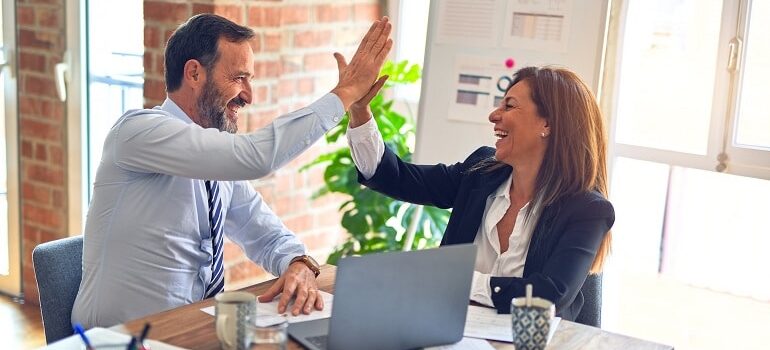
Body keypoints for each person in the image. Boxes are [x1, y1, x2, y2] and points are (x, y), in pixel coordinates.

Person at [72, 13, 392, 328]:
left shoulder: (215, 162)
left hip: (190, 330)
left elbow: (264, 232)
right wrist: (345, 93)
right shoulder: (138, 132)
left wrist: (298, 262)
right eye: (239, 77)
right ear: (194, 74)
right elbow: (256, 157)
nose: (249, 96)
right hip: (118, 339)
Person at [346, 66, 614, 321]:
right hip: (449, 333)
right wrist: (359, 111)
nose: (494, 115)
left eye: (509, 105)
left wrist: (457, 280)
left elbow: (548, 296)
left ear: (547, 124)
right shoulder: (481, 172)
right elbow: (396, 178)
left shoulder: (587, 210)